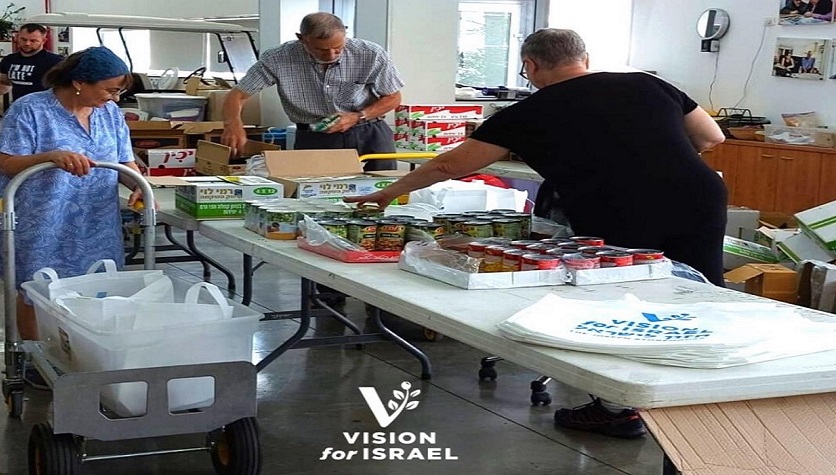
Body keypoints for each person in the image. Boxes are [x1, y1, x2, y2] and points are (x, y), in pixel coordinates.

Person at [346, 29, 727, 439]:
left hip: (617, 206)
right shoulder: (647, 83)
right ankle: (712, 397)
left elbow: (448, 167)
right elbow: (711, 136)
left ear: (530, 66)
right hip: (698, 195)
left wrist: (387, 194)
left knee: (620, 298)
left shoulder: (526, 113)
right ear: (584, 57)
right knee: (703, 289)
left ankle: (618, 411)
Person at [0, 46, 146, 388]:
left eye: (119, 91)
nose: (115, 97)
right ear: (80, 82)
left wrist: (138, 184)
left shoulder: (110, 113)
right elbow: (6, 164)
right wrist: (51, 156)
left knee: (95, 283)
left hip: (93, 216)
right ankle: (38, 359)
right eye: (111, 89)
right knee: (35, 286)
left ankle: (80, 353)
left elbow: (125, 161)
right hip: (39, 214)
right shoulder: (31, 109)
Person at [220, 12, 403, 172]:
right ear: (302, 39)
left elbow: (393, 97)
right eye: (321, 49)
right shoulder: (277, 59)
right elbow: (237, 95)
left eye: (338, 48)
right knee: (316, 193)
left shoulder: (370, 53)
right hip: (316, 135)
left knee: (383, 188)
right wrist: (233, 124)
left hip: (369, 130)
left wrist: (357, 117)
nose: (331, 55)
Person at [0, 23, 65, 106]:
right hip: (19, 108)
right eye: (23, 39)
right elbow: (4, 84)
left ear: (43, 41)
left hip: (45, 110)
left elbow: (67, 88)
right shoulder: (9, 60)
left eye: (33, 41)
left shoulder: (56, 62)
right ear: (17, 38)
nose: (27, 43)